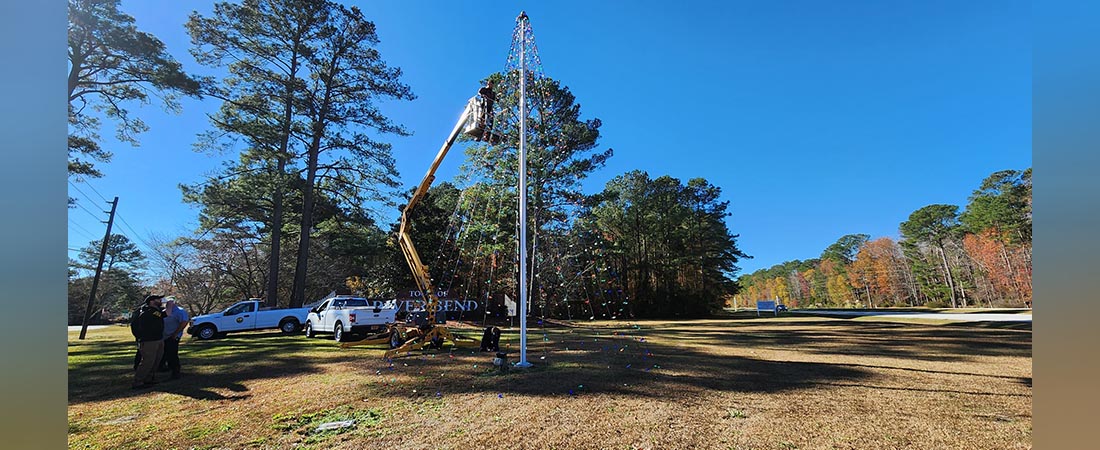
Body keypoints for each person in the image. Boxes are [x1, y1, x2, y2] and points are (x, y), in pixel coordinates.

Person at [131, 294, 166, 389]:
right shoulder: (149, 311)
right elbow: (165, 314)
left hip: (157, 339)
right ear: (152, 301)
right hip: (148, 341)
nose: (161, 301)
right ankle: (138, 381)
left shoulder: (154, 311)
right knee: (148, 361)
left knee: (156, 360)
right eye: (158, 299)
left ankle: (148, 379)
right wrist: (170, 304)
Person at [158, 297, 189, 380]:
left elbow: (184, 322)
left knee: (172, 354)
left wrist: (175, 334)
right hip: (164, 336)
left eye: (169, 302)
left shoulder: (180, 311)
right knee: (164, 353)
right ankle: (164, 367)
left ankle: (175, 371)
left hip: (172, 336)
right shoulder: (164, 311)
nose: (166, 304)